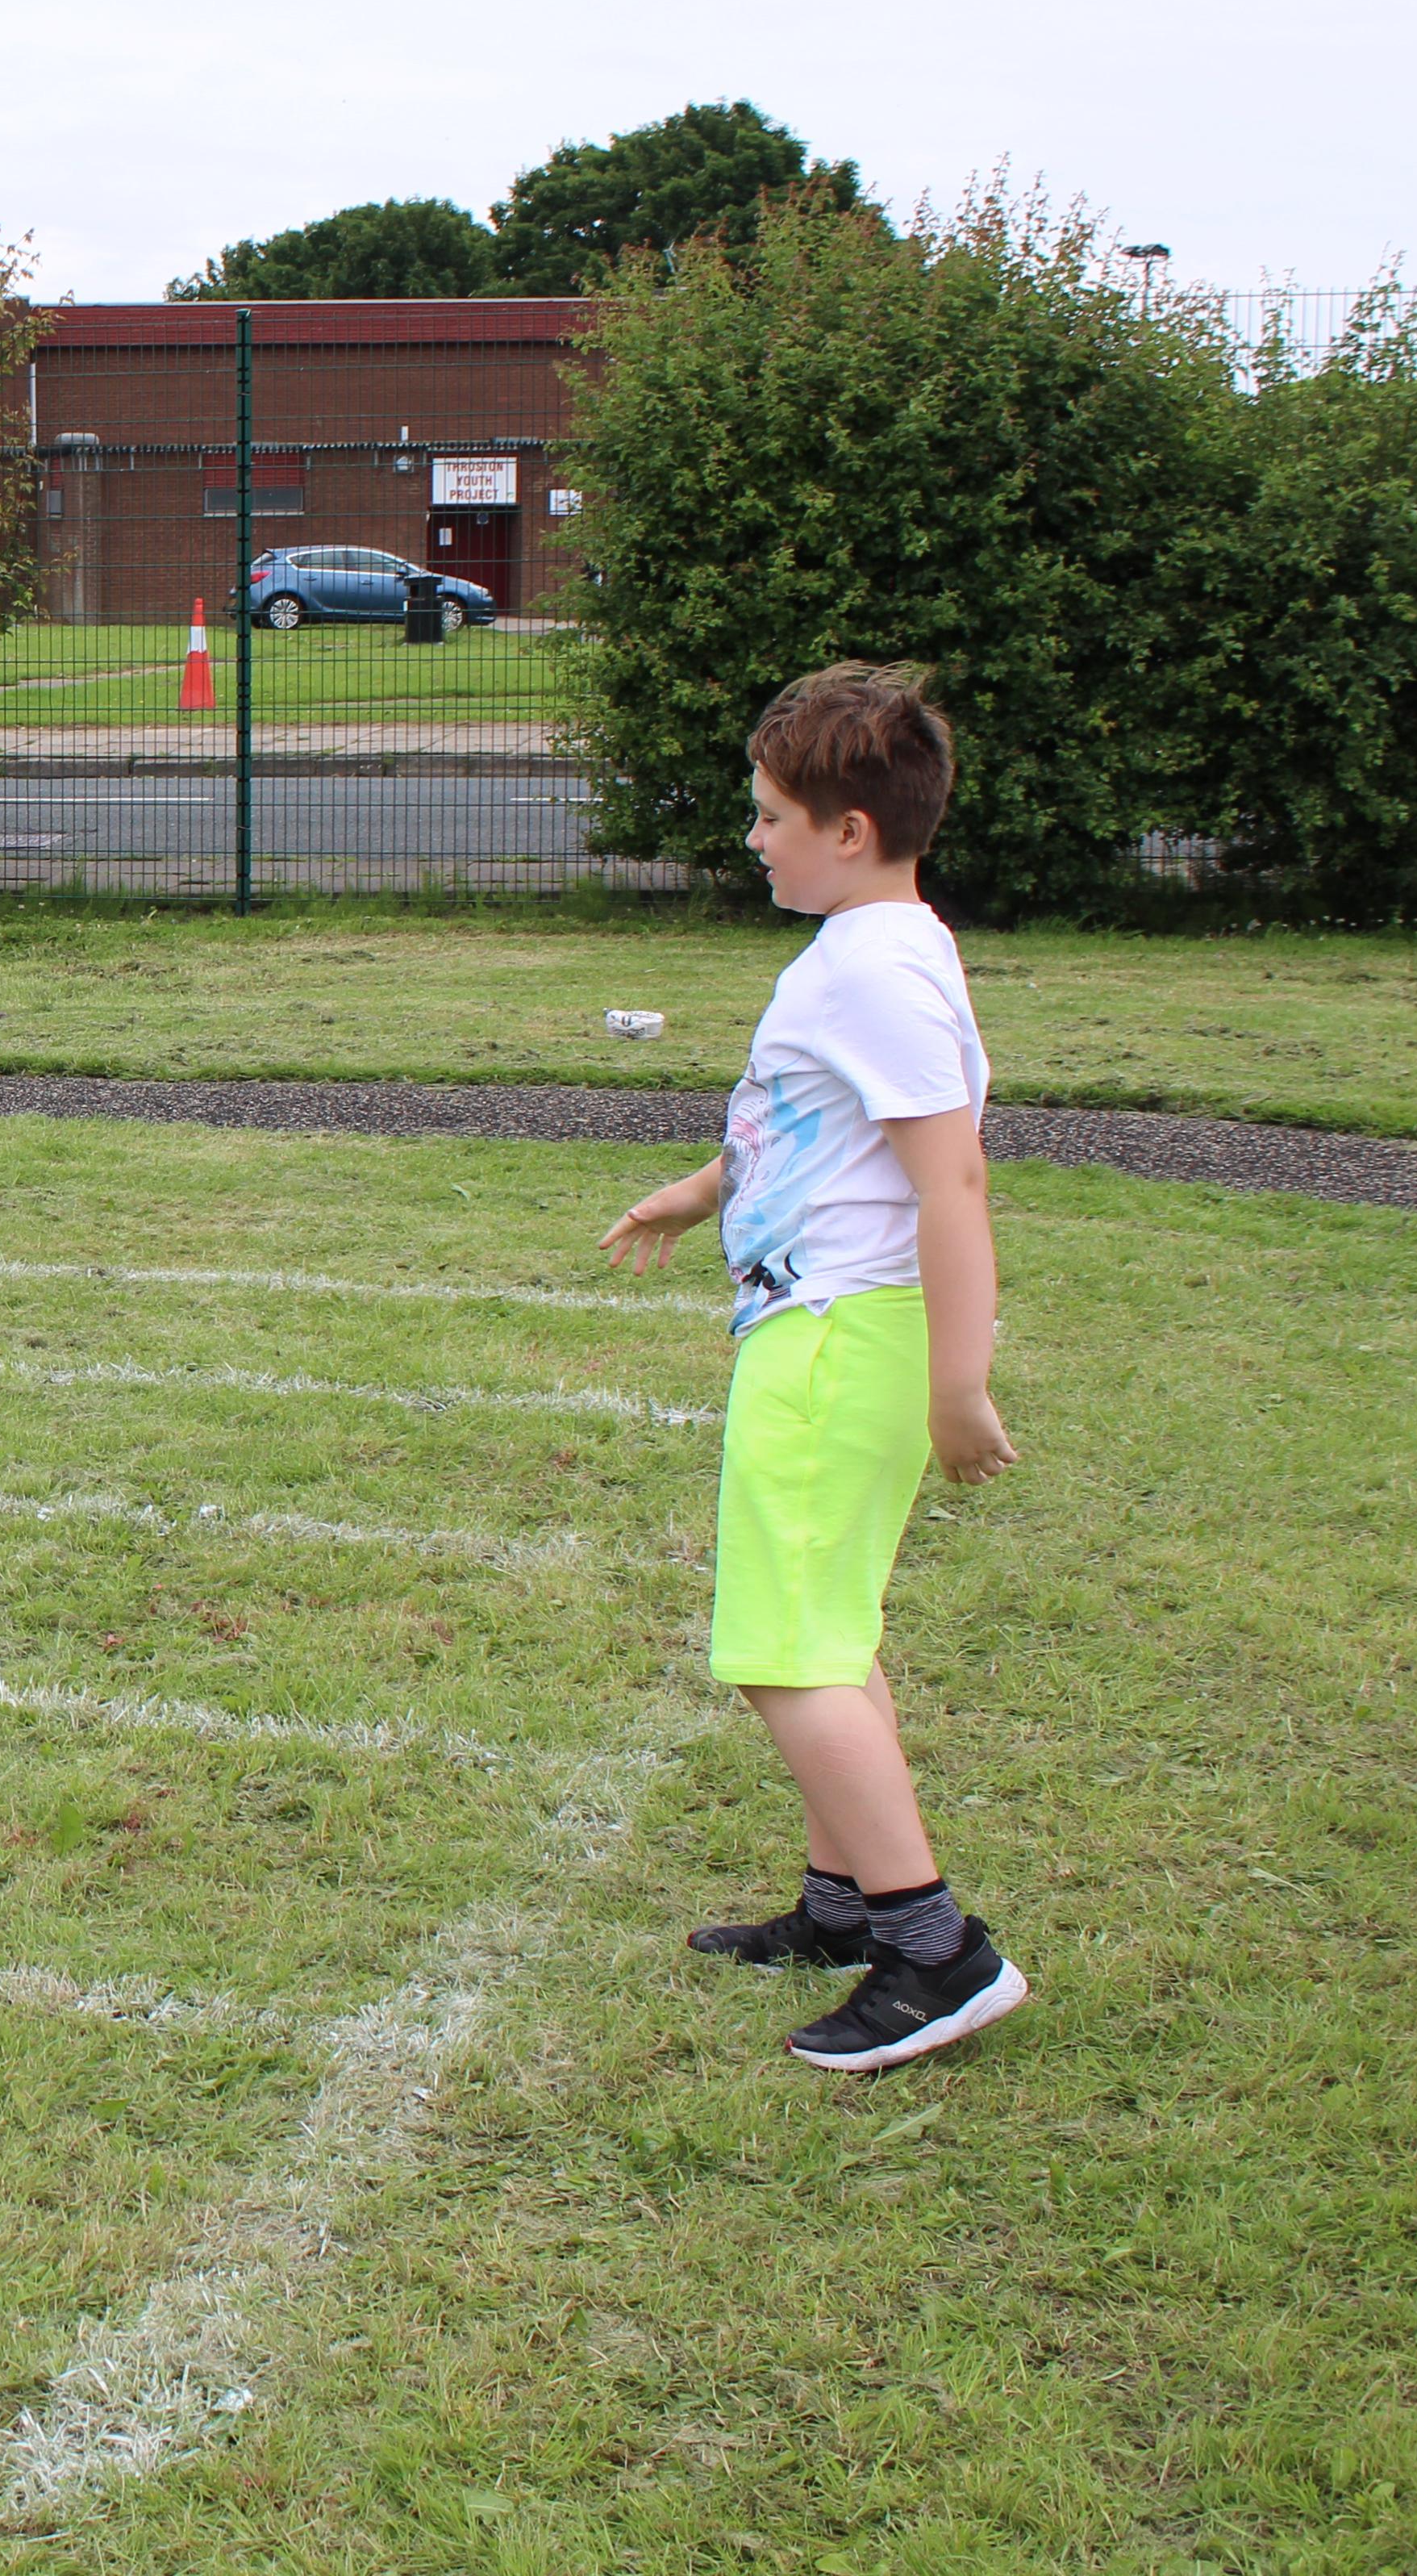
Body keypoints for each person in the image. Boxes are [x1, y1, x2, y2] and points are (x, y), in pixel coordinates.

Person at [601, 663, 1029, 2073]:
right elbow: (812, 1131)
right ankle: (844, 1907)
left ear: (851, 829)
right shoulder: (874, 948)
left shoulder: (872, 969)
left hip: (841, 1338)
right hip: (834, 1327)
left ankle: (935, 1951)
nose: (754, 839)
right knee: (827, 1632)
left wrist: (958, 1382)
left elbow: (951, 1179)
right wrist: (698, 1192)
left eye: (773, 816)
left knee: (784, 1652)